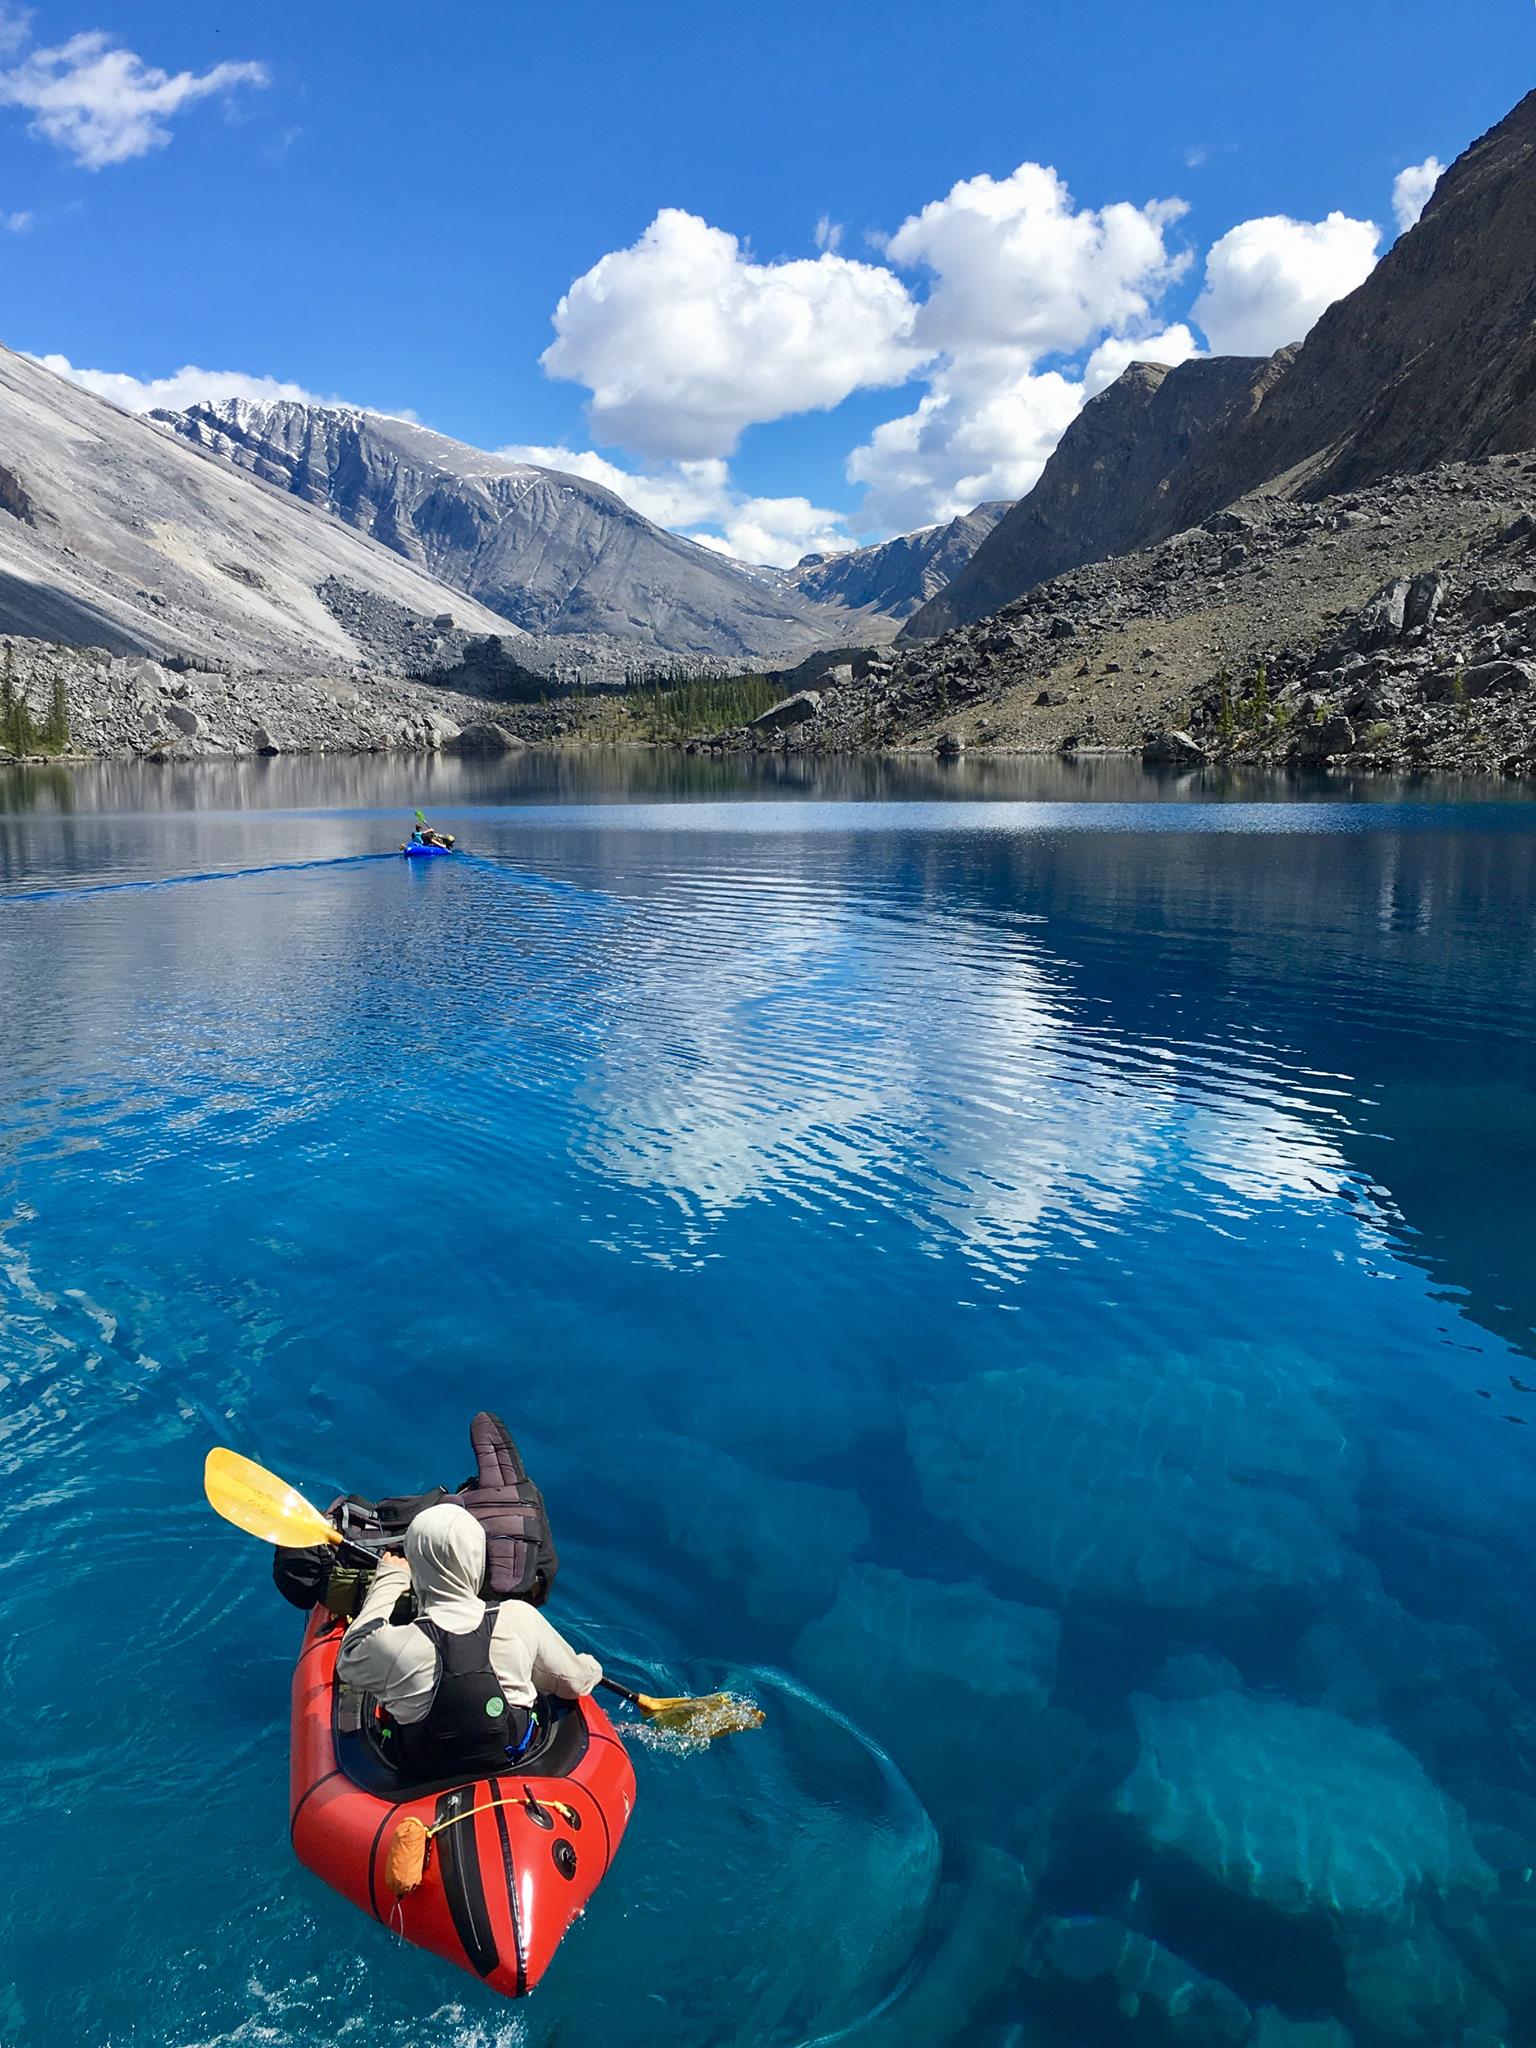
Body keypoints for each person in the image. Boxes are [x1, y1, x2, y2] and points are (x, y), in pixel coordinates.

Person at [335, 1501, 600, 1780]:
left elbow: (348, 1656)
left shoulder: (394, 1646)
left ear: (414, 1561)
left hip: (423, 1772)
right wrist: (590, 1667)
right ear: (477, 1559)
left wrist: (389, 1579)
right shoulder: (519, 1618)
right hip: (512, 1760)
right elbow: (574, 1683)